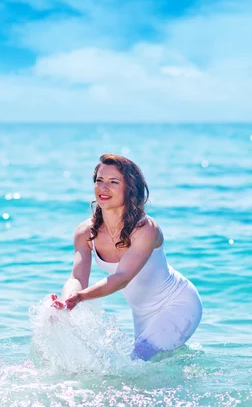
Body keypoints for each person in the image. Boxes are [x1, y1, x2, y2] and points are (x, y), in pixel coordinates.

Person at [51, 153, 203, 361]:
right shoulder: (85, 232)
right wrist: (66, 302)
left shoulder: (145, 229)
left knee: (136, 362)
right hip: (141, 315)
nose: (103, 188)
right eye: (99, 181)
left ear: (130, 188)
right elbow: (77, 278)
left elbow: (123, 277)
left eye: (113, 182)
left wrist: (81, 297)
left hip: (178, 303)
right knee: (146, 372)